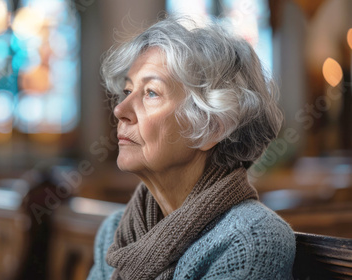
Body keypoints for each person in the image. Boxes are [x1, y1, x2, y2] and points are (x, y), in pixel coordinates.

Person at [87, 16, 295, 280]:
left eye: (151, 92)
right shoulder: (114, 233)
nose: (120, 110)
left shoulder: (251, 238)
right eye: (128, 91)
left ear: (212, 127)